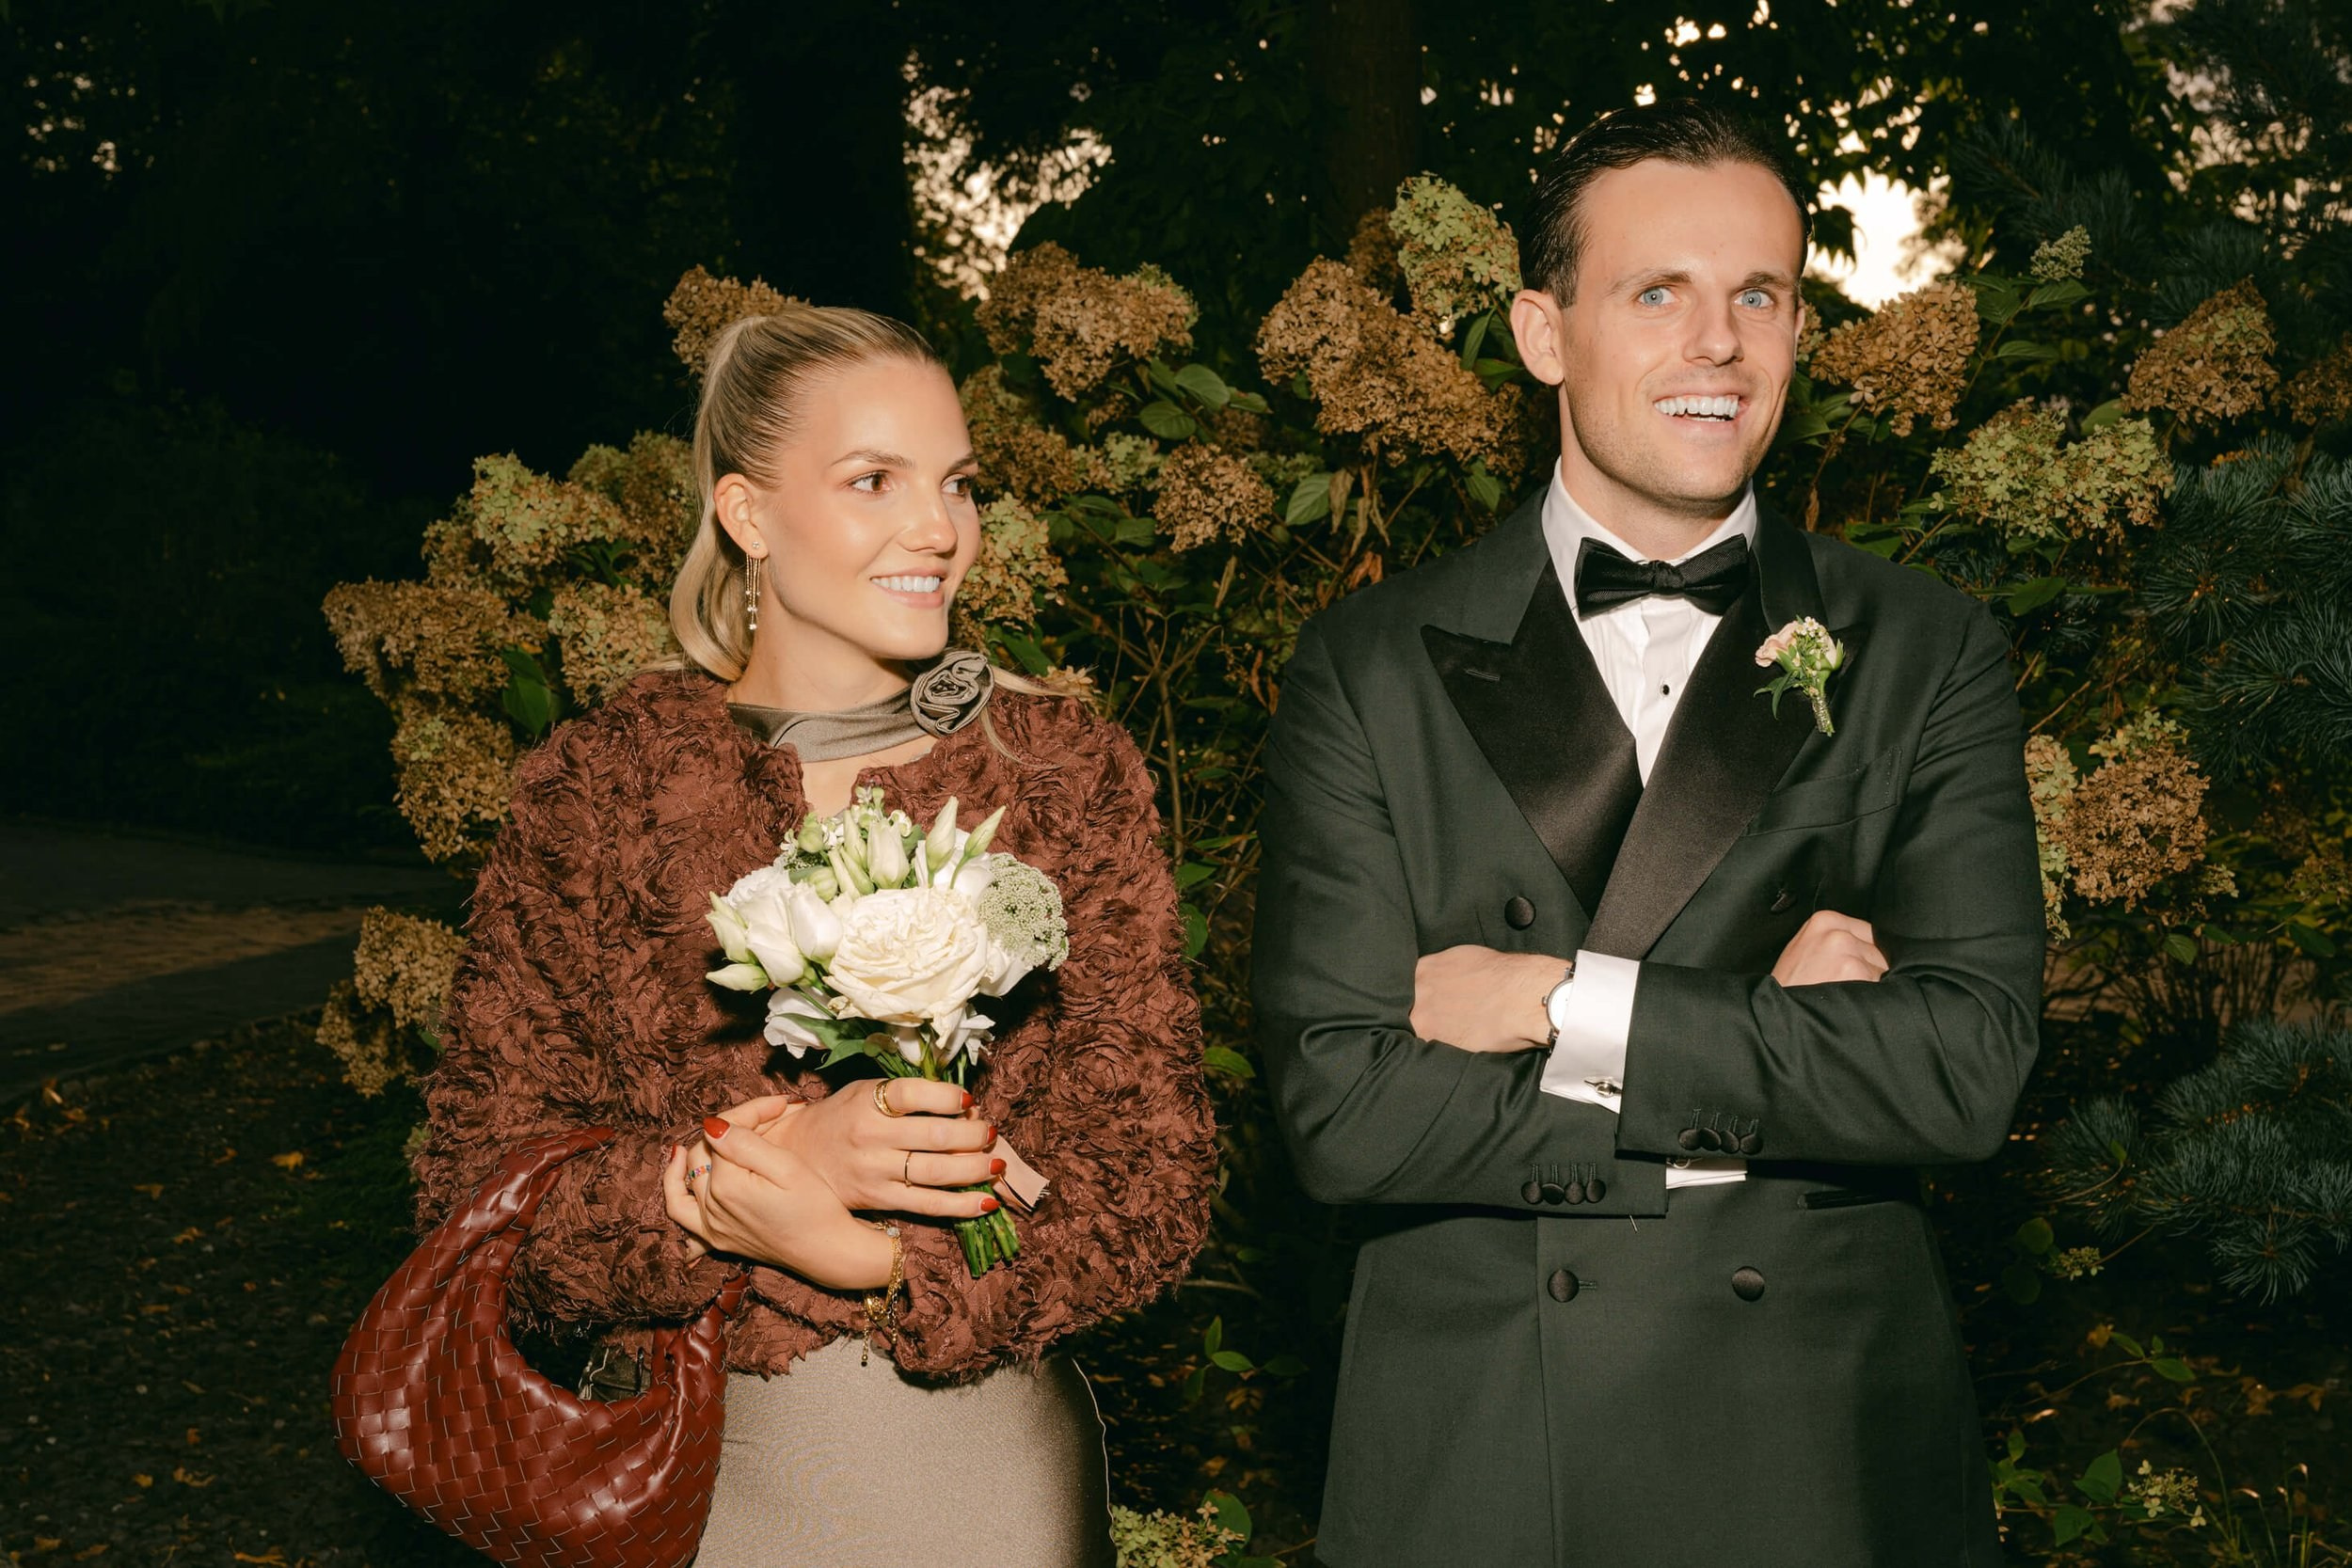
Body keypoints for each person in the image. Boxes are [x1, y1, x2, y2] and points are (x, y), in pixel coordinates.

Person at [1252, 99, 2042, 1566]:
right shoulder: (1368, 662)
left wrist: (1569, 1001)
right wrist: (1762, 1047)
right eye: (1657, 293)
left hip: (1821, 1456)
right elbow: (1346, 1116)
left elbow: (1962, 1073)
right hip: (1481, 1451)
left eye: (1762, 294)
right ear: (1544, 333)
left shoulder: (1924, 649)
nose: (1721, 345)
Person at [412, 301, 1217, 1567]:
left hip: (978, 1483)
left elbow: (1150, 1184)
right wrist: (718, 1205)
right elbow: (478, 1190)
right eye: (873, 481)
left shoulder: (1058, 774)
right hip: (674, 1485)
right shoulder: (603, 788)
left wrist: (877, 1257)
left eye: (956, 482)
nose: (938, 529)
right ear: (745, 513)